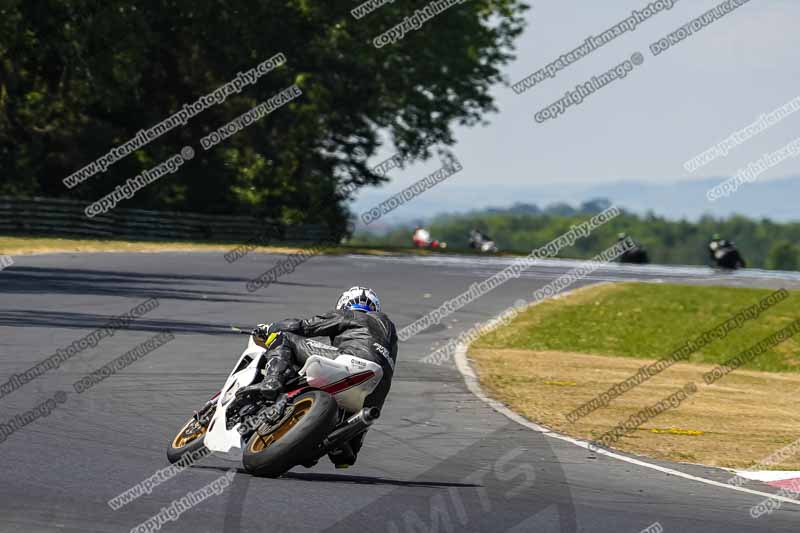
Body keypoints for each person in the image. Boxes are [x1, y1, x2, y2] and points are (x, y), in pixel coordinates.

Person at [237, 286, 397, 467]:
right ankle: (338, 441)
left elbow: (305, 326)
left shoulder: (352, 314)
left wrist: (270, 328)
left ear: (345, 304)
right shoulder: (390, 334)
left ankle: (272, 380)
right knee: (345, 459)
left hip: (352, 362)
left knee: (284, 337)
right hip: (374, 391)